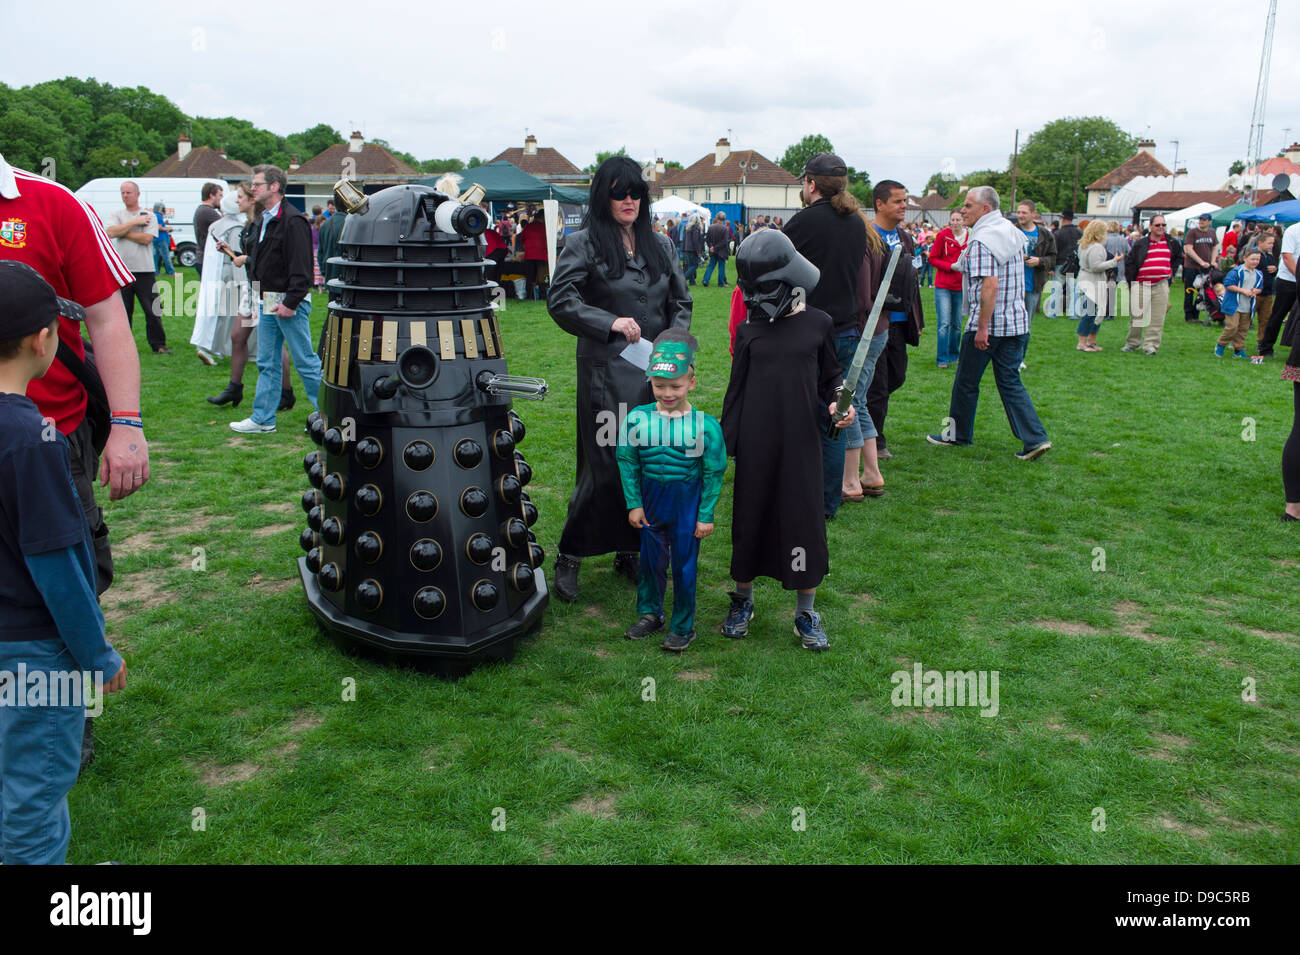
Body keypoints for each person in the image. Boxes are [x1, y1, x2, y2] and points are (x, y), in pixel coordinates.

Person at [1, 152, 147, 771]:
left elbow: (108, 317)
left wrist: (127, 424)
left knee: (70, 572)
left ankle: (63, 721)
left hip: (52, 441)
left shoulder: (53, 203)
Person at [0, 262, 129, 864]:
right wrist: (98, 655)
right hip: (33, 657)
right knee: (35, 800)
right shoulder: (35, 441)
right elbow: (57, 567)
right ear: (42, 340)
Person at [546, 156, 692, 602]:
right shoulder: (584, 242)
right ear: (602, 197)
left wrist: (674, 347)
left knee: (649, 463)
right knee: (606, 465)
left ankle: (631, 549)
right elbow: (560, 299)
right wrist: (608, 321)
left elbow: (681, 302)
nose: (628, 200)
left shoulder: (661, 244)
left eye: (635, 193)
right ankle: (570, 553)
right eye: (618, 193)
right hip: (606, 374)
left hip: (655, 375)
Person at [720, 230, 854, 651]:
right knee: (750, 517)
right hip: (757, 441)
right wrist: (724, 445)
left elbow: (831, 377)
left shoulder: (819, 324)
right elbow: (736, 390)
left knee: (803, 520)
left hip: (801, 441)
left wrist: (839, 403)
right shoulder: (749, 331)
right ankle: (743, 600)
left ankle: (805, 611)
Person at [616, 331, 726, 652]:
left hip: (686, 504)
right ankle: (650, 613)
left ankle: (683, 626)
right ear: (649, 381)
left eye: (675, 386)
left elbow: (714, 471)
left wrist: (705, 515)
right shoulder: (637, 419)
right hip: (651, 501)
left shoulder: (705, 426)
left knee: (684, 566)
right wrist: (634, 504)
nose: (667, 393)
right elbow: (627, 462)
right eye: (659, 385)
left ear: (691, 383)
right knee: (650, 562)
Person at [926, 186, 1050, 460]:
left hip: (990, 326)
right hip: (1017, 323)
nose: (963, 209)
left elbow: (990, 286)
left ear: (985, 208)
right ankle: (1035, 438)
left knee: (966, 383)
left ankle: (957, 434)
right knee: (1010, 381)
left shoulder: (983, 239)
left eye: (968, 205)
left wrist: (982, 328)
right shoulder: (1010, 231)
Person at [782, 152, 868, 518]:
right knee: (837, 413)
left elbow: (774, 269)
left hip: (810, 329)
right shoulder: (856, 223)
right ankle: (827, 500)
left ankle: (810, 498)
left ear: (811, 184)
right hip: (846, 328)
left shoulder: (803, 223)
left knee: (808, 414)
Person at [229, 164, 323, 434]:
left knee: (305, 360)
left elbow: (302, 266)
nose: (252, 187)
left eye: (257, 183)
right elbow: (261, 259)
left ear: (274, 187)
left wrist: (291, 302)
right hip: (268, 298)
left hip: (286, 300)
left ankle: (329, 417)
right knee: (267, 361)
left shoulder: (293, 220)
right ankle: (263, 419)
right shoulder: (263, 219)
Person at [863, 179, 923, 468]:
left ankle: (863, 422)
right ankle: (876, 440)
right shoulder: (867, 236)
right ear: (880, 204)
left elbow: (911, 282)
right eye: (898, 201)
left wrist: (917, 318)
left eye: (905, 200)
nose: (904, 206)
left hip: (899, 322)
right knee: (877, 384)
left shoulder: (905, 237)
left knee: (896, 377)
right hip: (875, 323)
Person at [103, 181, 170, 354]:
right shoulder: (117, 214)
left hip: (145, 270)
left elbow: (147, 239)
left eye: (129, 193)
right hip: (122, 271)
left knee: (152, 310)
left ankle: (159, 344)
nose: (125, 196)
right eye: (123, 193)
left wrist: (123, 231)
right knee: (124, 312)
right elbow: (110, 232)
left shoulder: (151, 216)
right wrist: (135, 222)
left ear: (137, 194)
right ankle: (123, 345)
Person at [1121, 215, 1182, 355]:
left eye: (1163, 225)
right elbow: (1130, 262)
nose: (1161, 227)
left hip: (1161, 285)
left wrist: (1170, 270)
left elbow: (1179, 257)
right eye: (1157, 225)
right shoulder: (1141, 243)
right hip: (1141, 284)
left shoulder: (1172, 242)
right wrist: (1132, 284)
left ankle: (1151, 345)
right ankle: (1132, 343)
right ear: (1151, 226)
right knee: (1137, 317)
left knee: (1157, 318)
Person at [1075, 219, 1122, 351]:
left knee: (1095, 311)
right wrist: (1114, 262)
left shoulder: (1084, 245)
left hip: (1086, 279)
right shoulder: (1096, 247)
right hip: (1093, 281)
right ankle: (1083, 342)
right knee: (1091, 312)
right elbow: (1096, 267)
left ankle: (1090, 341)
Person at [930, 211, 967, 369]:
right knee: (944, 323)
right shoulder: (942, 236)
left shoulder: (970, 236)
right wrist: (950, 266)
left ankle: (954, 355)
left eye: (958, 219)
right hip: (943, 285)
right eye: (953, 220)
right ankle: (942, 359)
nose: (955, 222)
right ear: (949, 221)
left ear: (963, 221)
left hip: (961, 286)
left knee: (957, 324)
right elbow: (932, 258)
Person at [1257, 220, 1300, 358]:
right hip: (1289, 280)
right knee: (1278, 314)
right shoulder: (1293, 230)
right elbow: (1287, 256)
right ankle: (1266, 347)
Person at [1014, 200, 1056, 323]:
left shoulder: (1045, 234)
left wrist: (1040, 261)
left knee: (1027, 324)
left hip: (1033, 285)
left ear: (1033, 214)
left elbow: (1053, 258)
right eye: (1018, 212)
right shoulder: (1011, 231)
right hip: (1012, 285)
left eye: (1024, 212)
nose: (1020, 215)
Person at [1216, 248, 1262, 359]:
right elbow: (1228, 284)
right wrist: (1243, 291)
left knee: (1243, 330)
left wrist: (1256, 291)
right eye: (1253, 259)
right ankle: (1221, 344)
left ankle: (1238, 350)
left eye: (1257, 259)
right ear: (1245, 259)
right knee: (1232, 327)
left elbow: (1260, 288)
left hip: (1247, 306)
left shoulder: (1259, 274)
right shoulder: (1237, 271)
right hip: (1234, 305)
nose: (1255, 262)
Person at [1182, 212, 1218, 323]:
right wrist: (1201, 262)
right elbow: (1189, 249)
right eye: (1200, 219)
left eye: (1204, 220)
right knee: (1189, 290)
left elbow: (1215, 247)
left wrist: (1212, 261)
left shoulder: (1212, 232)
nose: (1201, 221)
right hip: (1191, 266)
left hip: (1206, 267)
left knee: (1201, 292)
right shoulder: (1192, 232)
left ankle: (1196, 314)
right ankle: (1188, 316)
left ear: (1209, 222)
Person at [1054, 211, 1082, 318]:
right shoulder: (1079, 233)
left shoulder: (1058, 233)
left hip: (1060, 263)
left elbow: (1054, 250)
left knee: (1056, 288)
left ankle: (1054, 311)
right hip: (1074, 264)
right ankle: (1073, 313)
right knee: (1074, 289)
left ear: (1063, 219)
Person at [193, 182, 223, 274]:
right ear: (211, 196)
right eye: (220, 195)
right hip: (207, 259)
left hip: (203, 258)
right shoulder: (207, 211)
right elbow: (226, 227)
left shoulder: (202, 210)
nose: (222, 198)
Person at [519, 209, 548, 300]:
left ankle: (530, 296)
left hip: (529, 255)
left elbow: (522, 238)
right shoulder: (545, 227)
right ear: (543, 217)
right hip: (542, 255)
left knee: (530, 277)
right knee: (542, 277)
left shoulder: (528, 226)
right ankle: (542, 296)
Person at [702, 212, 731, 287]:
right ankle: (721, 283)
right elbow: (724, 241)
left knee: (711, 266)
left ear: (717, 218)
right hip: (721, 250)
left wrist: (711, 247)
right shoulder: (725, 229)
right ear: (724, 220)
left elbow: (707, 239)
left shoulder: (711, 227)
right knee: (721, 267)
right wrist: (714, 247)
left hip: (713, 250)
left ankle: (705, 280)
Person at [150, 202, 175, 276]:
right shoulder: (158, 216)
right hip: (161, 239)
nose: (164, 210)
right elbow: (159, 227)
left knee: (156, 257)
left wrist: (164, 223)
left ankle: (156, 272)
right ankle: (171, 272)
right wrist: (168, 229)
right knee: (166, 256)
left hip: (156, 239)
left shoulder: (155, 215)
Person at [682, 214, 705, 286]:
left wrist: (684, 248)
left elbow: (684, 239)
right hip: (693, 249)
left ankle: (692, 282)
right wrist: (699, 251)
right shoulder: (695, 227)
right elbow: (695, 241)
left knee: (690, 265)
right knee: (695, 265)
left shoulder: (687, 227)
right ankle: (682, 279)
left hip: (687, 249)